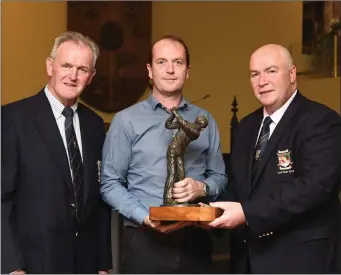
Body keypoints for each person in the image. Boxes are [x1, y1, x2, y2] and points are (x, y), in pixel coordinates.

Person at [207, 44, 341, 273]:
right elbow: (239, 187)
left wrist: (246, 213)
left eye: (271, 71)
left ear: (292, 74)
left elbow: (314, 187)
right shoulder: (246, 127)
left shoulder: (321, 121)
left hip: (302, 260)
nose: (262, 81)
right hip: (248, 260)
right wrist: (207, 208)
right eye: (254, 74)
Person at [100, 34, 227, 274]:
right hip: (144, 242)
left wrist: (202, 188)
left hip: (196, 241)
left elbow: (219, 177)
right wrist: (145, 217)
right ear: (149, 70)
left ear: (188, 71)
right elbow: (110, 184)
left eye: (178, 62)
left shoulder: (205, 119)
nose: (170, 69)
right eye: (161, 62)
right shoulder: (126, 120)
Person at [1, 31, 112, 274]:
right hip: (32, 263)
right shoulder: (12, 118)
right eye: (66, 65)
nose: (73, 76)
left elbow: (98, 199)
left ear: (91, 76)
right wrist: (11, 266)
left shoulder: (95, 125)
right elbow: (2, 198)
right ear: (50, 66)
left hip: (85, 263)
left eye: (82, 69)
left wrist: (103, 264)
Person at [163, 107, 208, 205]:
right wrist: (172, 115)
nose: (200, 123)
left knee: (181, 175)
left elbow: (183, 124)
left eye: (202, 123)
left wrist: (175, 112)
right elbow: (168, 125)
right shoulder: (187, 124)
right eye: (200, 121)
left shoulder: (195, 133)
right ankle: (167, 197)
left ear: (202, 127)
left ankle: (182, 198)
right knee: (172, 173)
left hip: (180, 151)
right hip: (173, 149)